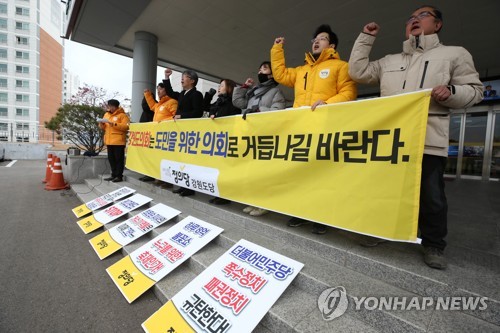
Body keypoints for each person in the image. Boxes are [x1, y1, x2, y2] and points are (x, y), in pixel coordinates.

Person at [348, 5, 484, 269]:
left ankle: (434, 244)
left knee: (431, 194)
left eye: (422, 16)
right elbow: (358, 72)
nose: (414, 20)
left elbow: (475, 91)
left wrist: (452, 92)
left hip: (428, 138)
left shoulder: (454, 54)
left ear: (438, 24)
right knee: (384, 191)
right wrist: (366, 38)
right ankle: (381, 231)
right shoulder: (389, 60)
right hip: (391, 141)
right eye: (410, 18)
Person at [271, 24, 357, 234]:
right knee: (300, 172)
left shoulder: (341, 66)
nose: (316, 41)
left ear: (332, 44)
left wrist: (328, 103)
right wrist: (277, 50)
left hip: (326, 128)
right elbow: (280, 75)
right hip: (301, 130)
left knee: (322, 173)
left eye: (322, 38)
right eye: (315, 39)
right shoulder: (302, 70)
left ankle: (322, 216)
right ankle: (300, 212)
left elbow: (349, 92)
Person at [233, 61, 286, 216]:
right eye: (259, 68)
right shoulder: (253, 92)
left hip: (265, 136)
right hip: (251, 135)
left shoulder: (276, 92)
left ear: (272, 73)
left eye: (264, 68)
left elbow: (278, 112)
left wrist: (259, 109)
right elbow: (237, 102)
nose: (260, 71)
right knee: (250, 171)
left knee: (263, 172)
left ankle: (264, 204)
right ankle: (252, 200)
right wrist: (243, 87)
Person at [163, 68, 203, 196]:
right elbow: (169, 92)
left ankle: (189, 188)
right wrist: (167, 78)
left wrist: (182, 116)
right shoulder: (182, 94)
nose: (182, 78)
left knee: (188, 160)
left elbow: (198, 112)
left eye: (184, 76)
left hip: (190, 132)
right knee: (180, 160)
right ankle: (182, 185)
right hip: (180, 131)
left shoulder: (197, 94)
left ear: (192, 80)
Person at [203, 79, 241, 205]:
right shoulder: (218, 102)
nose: (219, 87)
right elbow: (206, 108)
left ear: (229, 88)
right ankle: (217, 193)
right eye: (219, 85)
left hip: (228, 140)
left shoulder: (233, 103)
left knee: (225, 169)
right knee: (216, 169)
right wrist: (209, 95)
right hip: (216, 141)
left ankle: (225, 196)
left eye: (222, 86)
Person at [144, 82, 178, 187]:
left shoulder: (172, 102)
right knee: (159, 158)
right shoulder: (159, 104)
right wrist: (147, 95)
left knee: (167, 159)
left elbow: (175, 117)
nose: (158, 91)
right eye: (157, 89)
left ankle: (168, 181)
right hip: (158, 136)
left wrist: (161, 123)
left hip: (167, 136)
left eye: (160, 89)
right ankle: (160, 177)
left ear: (166, 90)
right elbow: (152, 106)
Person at [98, 99, 130, 183]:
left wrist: (114, 124)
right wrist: (101, 123)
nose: (110, 108)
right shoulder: (106, 114)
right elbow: (104, 128)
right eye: (109, 106)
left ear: (116, 106)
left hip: (118, 141)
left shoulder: (123, 115)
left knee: (118, 159)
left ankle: (119, 176)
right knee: (111, 159)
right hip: (109, 141)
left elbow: (126, 127)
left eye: (112, 106)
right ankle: (113, 174)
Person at [138, 95, 155, 182]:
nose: (143, 102)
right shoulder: (145, 111)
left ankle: (150, 175)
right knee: (146, 156)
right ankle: (147, 173)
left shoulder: (152, 108)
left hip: (151, 136)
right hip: (145, 136)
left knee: (150, 157)